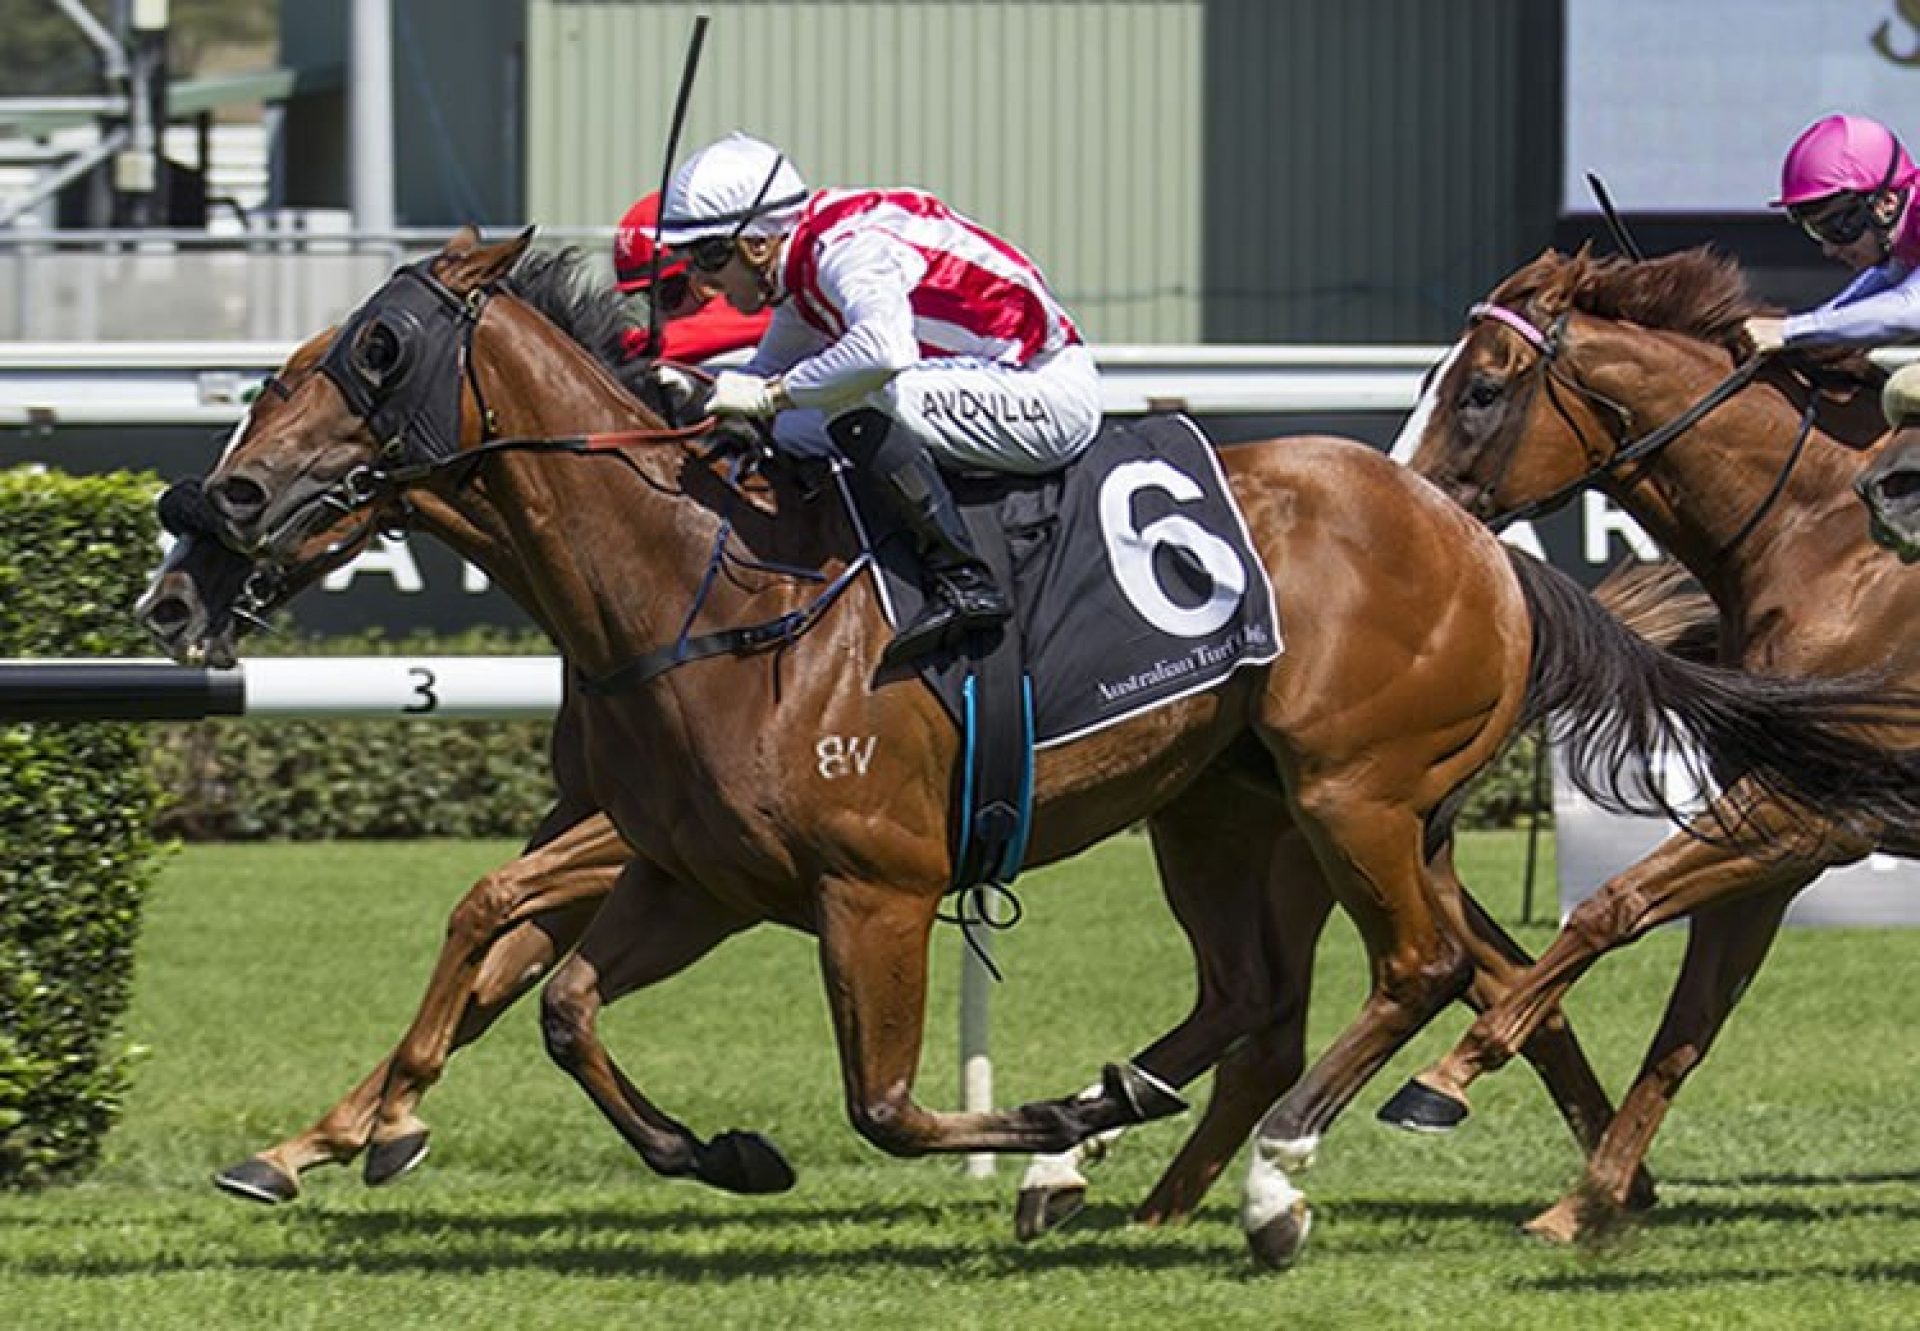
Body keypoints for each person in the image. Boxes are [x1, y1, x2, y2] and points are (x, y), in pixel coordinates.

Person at [654, 131, 1103, 667]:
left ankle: (962, 578)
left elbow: (884, 352)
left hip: (1046, 389)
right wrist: (695, 389)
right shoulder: (799, 274)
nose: (702, 281)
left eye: (708, 256)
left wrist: (771, 395)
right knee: (788, 424)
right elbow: (762, 376)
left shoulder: (846, 250)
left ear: (757, 243)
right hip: (986, 379)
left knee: (861, 398)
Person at [1746, 113, 1920, 361]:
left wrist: (1789, 331)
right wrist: (1808, 326)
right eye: (1816, 231)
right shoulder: (1903, 233)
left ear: (1885, 203)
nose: (1830, 250)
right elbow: (1886, 279)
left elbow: (1909, 311)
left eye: (1836, 226)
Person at [611, 191, 770, 364]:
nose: (661, 314)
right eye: (645, 298)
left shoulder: (770, 306)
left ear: (709, 281)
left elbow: (656, 346)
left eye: (666, 294)